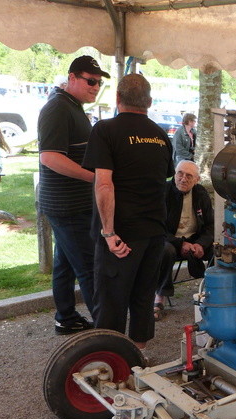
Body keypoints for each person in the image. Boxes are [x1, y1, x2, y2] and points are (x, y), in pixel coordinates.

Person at [83, 73, 174, 349]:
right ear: (148, 101)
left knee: (111, 300)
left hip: (122, 233)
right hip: (154, 231)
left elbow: (104, 184)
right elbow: (163, 181)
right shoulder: (161, 135)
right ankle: (137, 358)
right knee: (143, 297)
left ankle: (111, 363)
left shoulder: (105, 130)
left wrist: (109, 232)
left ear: (118, 98)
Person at [37, 55, 109, 335]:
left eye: (98, 83)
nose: (95, 86)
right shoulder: (57, 108)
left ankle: (65, 317)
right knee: (89, 268)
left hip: (72, 203)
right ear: (72, 78)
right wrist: (94, 178)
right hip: (67, 205)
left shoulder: (72, 107)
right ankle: (106, 332)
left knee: (65, 264)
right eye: (90, 81)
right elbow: (50, 158)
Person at [153, 160, 214, 319]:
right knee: (165, 250)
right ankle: (160, 295)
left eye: (189, 176)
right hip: (171, 240)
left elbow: (210, 226)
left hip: (195, 240)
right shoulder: (164, 192)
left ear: (197, 180)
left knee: (218, 250)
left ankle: (212, 290)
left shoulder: (201, 193)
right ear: (174, 174)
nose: (183, 179)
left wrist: (201, 244)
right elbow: (157, 227)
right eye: (180, 173)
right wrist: (180, 243)